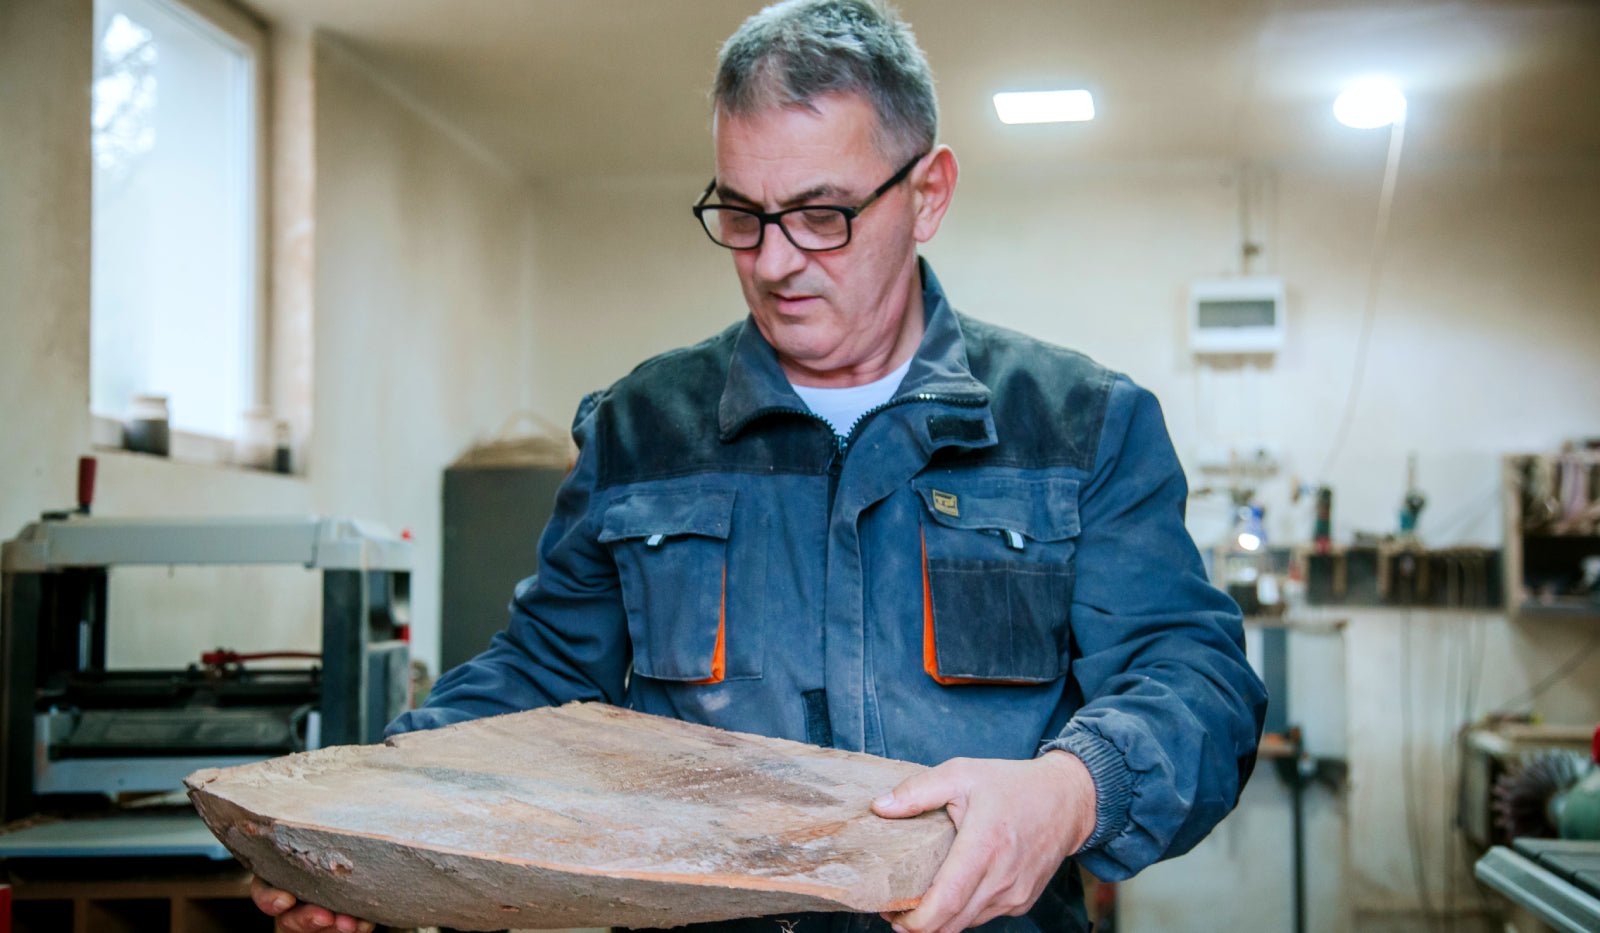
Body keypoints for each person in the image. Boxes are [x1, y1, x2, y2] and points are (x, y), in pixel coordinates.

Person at [254, 2, 1267, 931]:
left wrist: (1071, 790)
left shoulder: (1079, 427)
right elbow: (541, 677)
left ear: (927, 194)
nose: (775, 262)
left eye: (823, 215)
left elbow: (1197, 679)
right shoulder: (642, 432)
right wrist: (363, 812)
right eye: (742, 215)